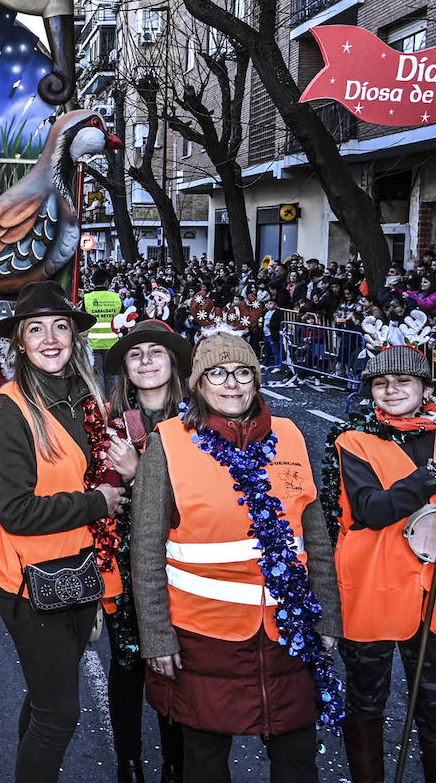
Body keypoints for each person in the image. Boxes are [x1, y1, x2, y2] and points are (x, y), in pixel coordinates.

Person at [130, 327, 343, 781]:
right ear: (199, 386)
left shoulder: (290, 436)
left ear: (256, 379)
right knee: (205, 761)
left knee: (297, 757)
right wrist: (156, 636)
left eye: (243, 371)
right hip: (205, 636)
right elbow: (146, 550)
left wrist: (328, 614)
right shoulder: (168, 443)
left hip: (289, 630)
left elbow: (316, 537)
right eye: (218, 373)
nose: (232, 383)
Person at [324, 345, 436, 782]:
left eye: (403, 381)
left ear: (426, 388)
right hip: (371, 591)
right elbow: (370, 509)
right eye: (381, 383)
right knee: (366, 701)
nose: (391, 390)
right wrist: (435, 475)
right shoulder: (353, 442)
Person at [0, 280, 129, 782]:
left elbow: (101, 470)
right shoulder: (10, 407)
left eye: (60, 327)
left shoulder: (88, 397)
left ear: (75, 336)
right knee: (59, 713)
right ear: (20, 342)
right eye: (36, 329)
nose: (50, 338)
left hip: (80, 574)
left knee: (47, 697)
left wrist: (123, 473)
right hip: (30, 583)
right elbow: (15, 510)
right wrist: (97, 502)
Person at [103, 319, 192, 783]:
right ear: (126, 371)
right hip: (129, 565)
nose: (145, 361)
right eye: (136, 355)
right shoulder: (116, 424)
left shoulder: (200, 423)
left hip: (186, 564)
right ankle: (129, 763)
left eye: (156, 352)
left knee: (176, 663)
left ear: (173, 363)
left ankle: (175, 765)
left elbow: (203, 499)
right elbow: (107, 500)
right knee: (128, 663)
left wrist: (140, 474)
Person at [84, 271, 124, 387]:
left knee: (97, 375)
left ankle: (101, 403)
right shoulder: (116, 298)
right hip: (112, 344)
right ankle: (112, 403)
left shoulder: (87, 299)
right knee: (112, 375)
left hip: (93, 344)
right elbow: (123, 320)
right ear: (107, 281)